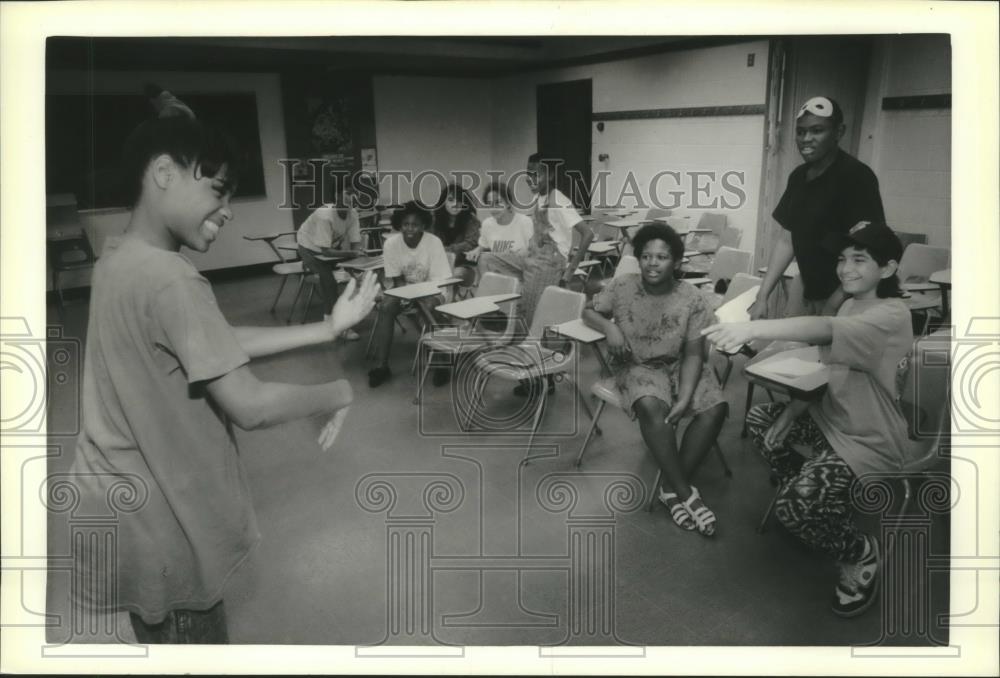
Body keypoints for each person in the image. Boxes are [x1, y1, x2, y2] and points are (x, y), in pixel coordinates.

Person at [70, 112, 380, 644]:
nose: (229, 211)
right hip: (167, 521)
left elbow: (210, 341)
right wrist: (337, 390)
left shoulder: (120, 258)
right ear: (164, 171)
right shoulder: (171, 278)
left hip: (123, 509)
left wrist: (327, 328)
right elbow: (250, 404)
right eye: (218, 189)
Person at [703, 220, 913, 618]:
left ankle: (860, 554)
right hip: (831, 421)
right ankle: (812, 501)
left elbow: (823, 328)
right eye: (842, 259)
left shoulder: (891, 315)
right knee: (765, 422)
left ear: (886, 269)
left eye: (859, 260)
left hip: (868, 440)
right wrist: (793, 412)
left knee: (796, 507)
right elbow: (828, 368)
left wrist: (753, 325)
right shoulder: (853, 302)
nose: (846, 269)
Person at [583, 223, 727, 537]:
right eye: (646, 256)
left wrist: (686, 395)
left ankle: (669, 487)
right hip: (637, 365)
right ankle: (686, 493)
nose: (652, 263)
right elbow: (588, 312)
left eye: (661, 257)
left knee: (715, 409)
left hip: (680, 364)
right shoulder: (622, 286)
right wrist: (609, 327)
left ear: (676, 262)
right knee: (650, 405)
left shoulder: (692, 298)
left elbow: (692, 353)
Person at [752, 96, 886, 320]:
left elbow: (869, 249)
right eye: (801, 131)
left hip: (848, 295)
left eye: (817, 131)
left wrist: (834, 303)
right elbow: (788, 239)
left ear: (839, 132)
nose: (806, 139)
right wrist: (762, 296)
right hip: (808, 287)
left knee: (832, 354)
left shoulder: (856, 176)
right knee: (793, 348)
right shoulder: (799, 177)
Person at [480, 153, 594, 327]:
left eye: (536, 175)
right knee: (487, 259)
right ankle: (496, 314)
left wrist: (570, 271)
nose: (530, 179)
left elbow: (588, 234)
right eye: (528, 174)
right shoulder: (537, 198)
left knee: (528, 313)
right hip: (533, 257)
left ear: (550, 176)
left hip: (549, 263)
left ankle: (527, 338)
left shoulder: (558, 200)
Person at [368, 200, 453, 388]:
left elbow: (439, 282)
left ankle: (441, 364)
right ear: (399, 224)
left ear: (423, 225)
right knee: (386, 306)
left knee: (428, 307)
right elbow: (397, 280)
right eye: (406, 224)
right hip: (406, 290)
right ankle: (382, 366)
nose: (410, 229)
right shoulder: (391, 244)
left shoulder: (434, 242)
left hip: (434, 290)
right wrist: (406, 296)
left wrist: (418, 297)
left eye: (415, 224)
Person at [296, 189, 364, 339]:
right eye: (345, 198)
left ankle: (345, 315)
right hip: (309, 247)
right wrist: (351, 254)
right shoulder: (324, 215)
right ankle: (332, 323)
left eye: (352, 200)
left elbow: (355, 244)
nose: (349, 203)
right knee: (329, 281)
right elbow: (326, 252)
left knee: (357, 278)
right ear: (337, 198)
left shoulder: (352, 214)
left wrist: (356, 264)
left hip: (331, 248)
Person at [465, 180, 534, 264]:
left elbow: (533, 252)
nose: (493, 208)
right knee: (482, 260)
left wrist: (517, 255)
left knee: (485, 259)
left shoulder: (524, 222)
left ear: (508, 203)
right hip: (498, 269)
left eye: (498, 202)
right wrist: (476, 251)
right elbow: (483, 245)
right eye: (490, 204)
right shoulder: (487, 224)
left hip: (521, 268)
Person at [431, 183, 480, 288]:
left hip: (463, 266)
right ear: (443, 202)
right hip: (437, 265)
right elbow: (429, 243)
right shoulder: (434, 219)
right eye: (450, 200)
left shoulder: (471, 219)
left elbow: (471, 243)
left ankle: (448, 300)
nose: (455, 204)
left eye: (459, 201)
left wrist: (446, 250)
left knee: (452, 275)